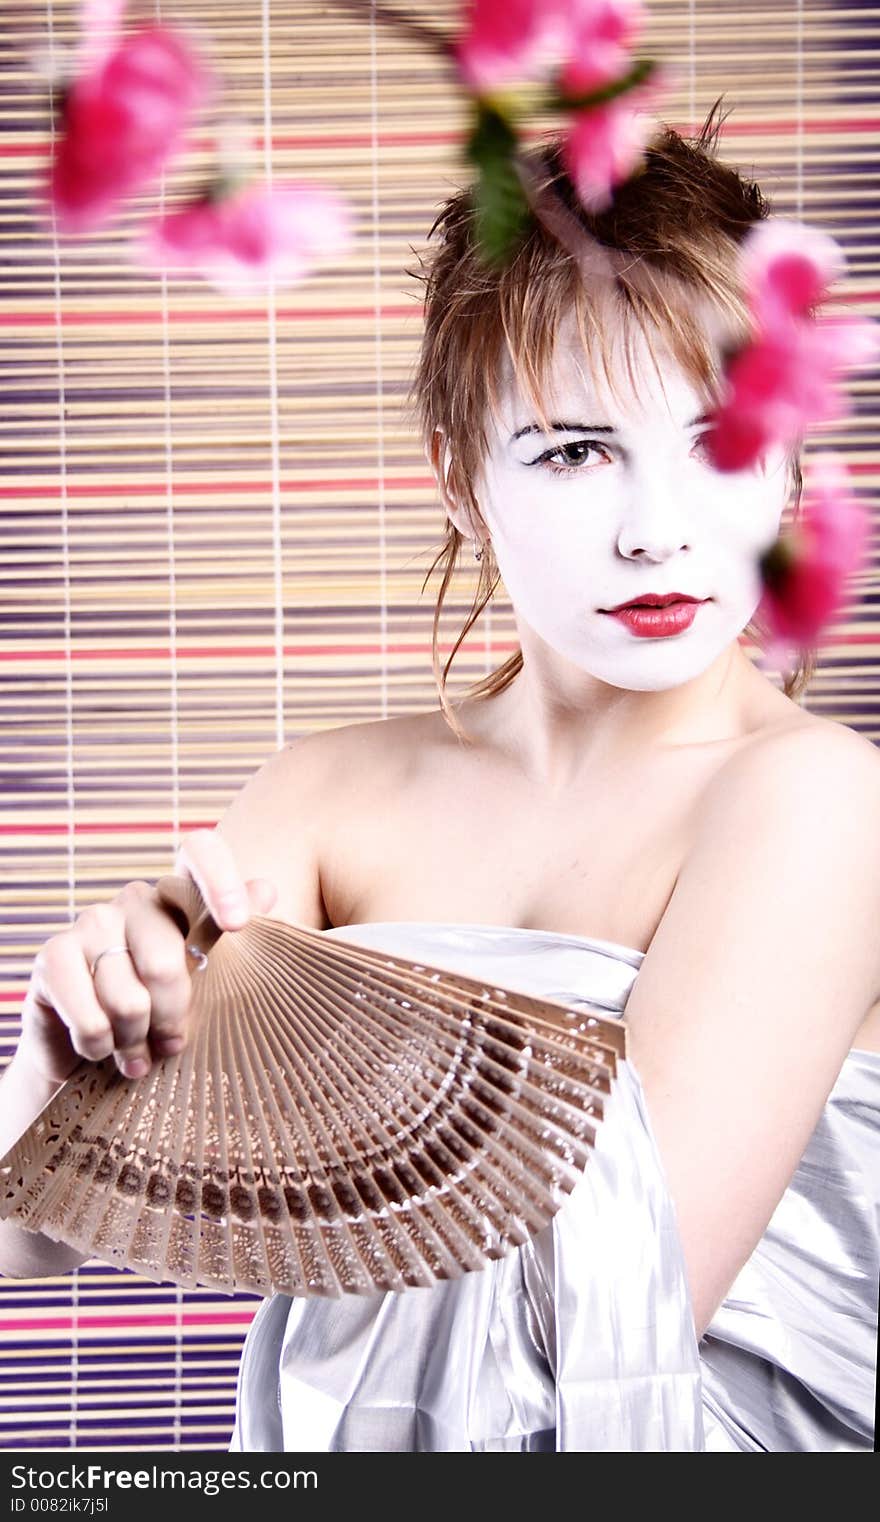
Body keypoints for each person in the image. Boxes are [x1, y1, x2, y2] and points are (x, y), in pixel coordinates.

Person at [1, 101, 879, 1452]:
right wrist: (55, 1077)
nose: (660, 533)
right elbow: (42, 1247)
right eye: (575, 449)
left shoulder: (817, 804)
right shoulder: (320, 800)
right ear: (459, 477)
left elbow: (594, 1344)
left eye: (720, 442)